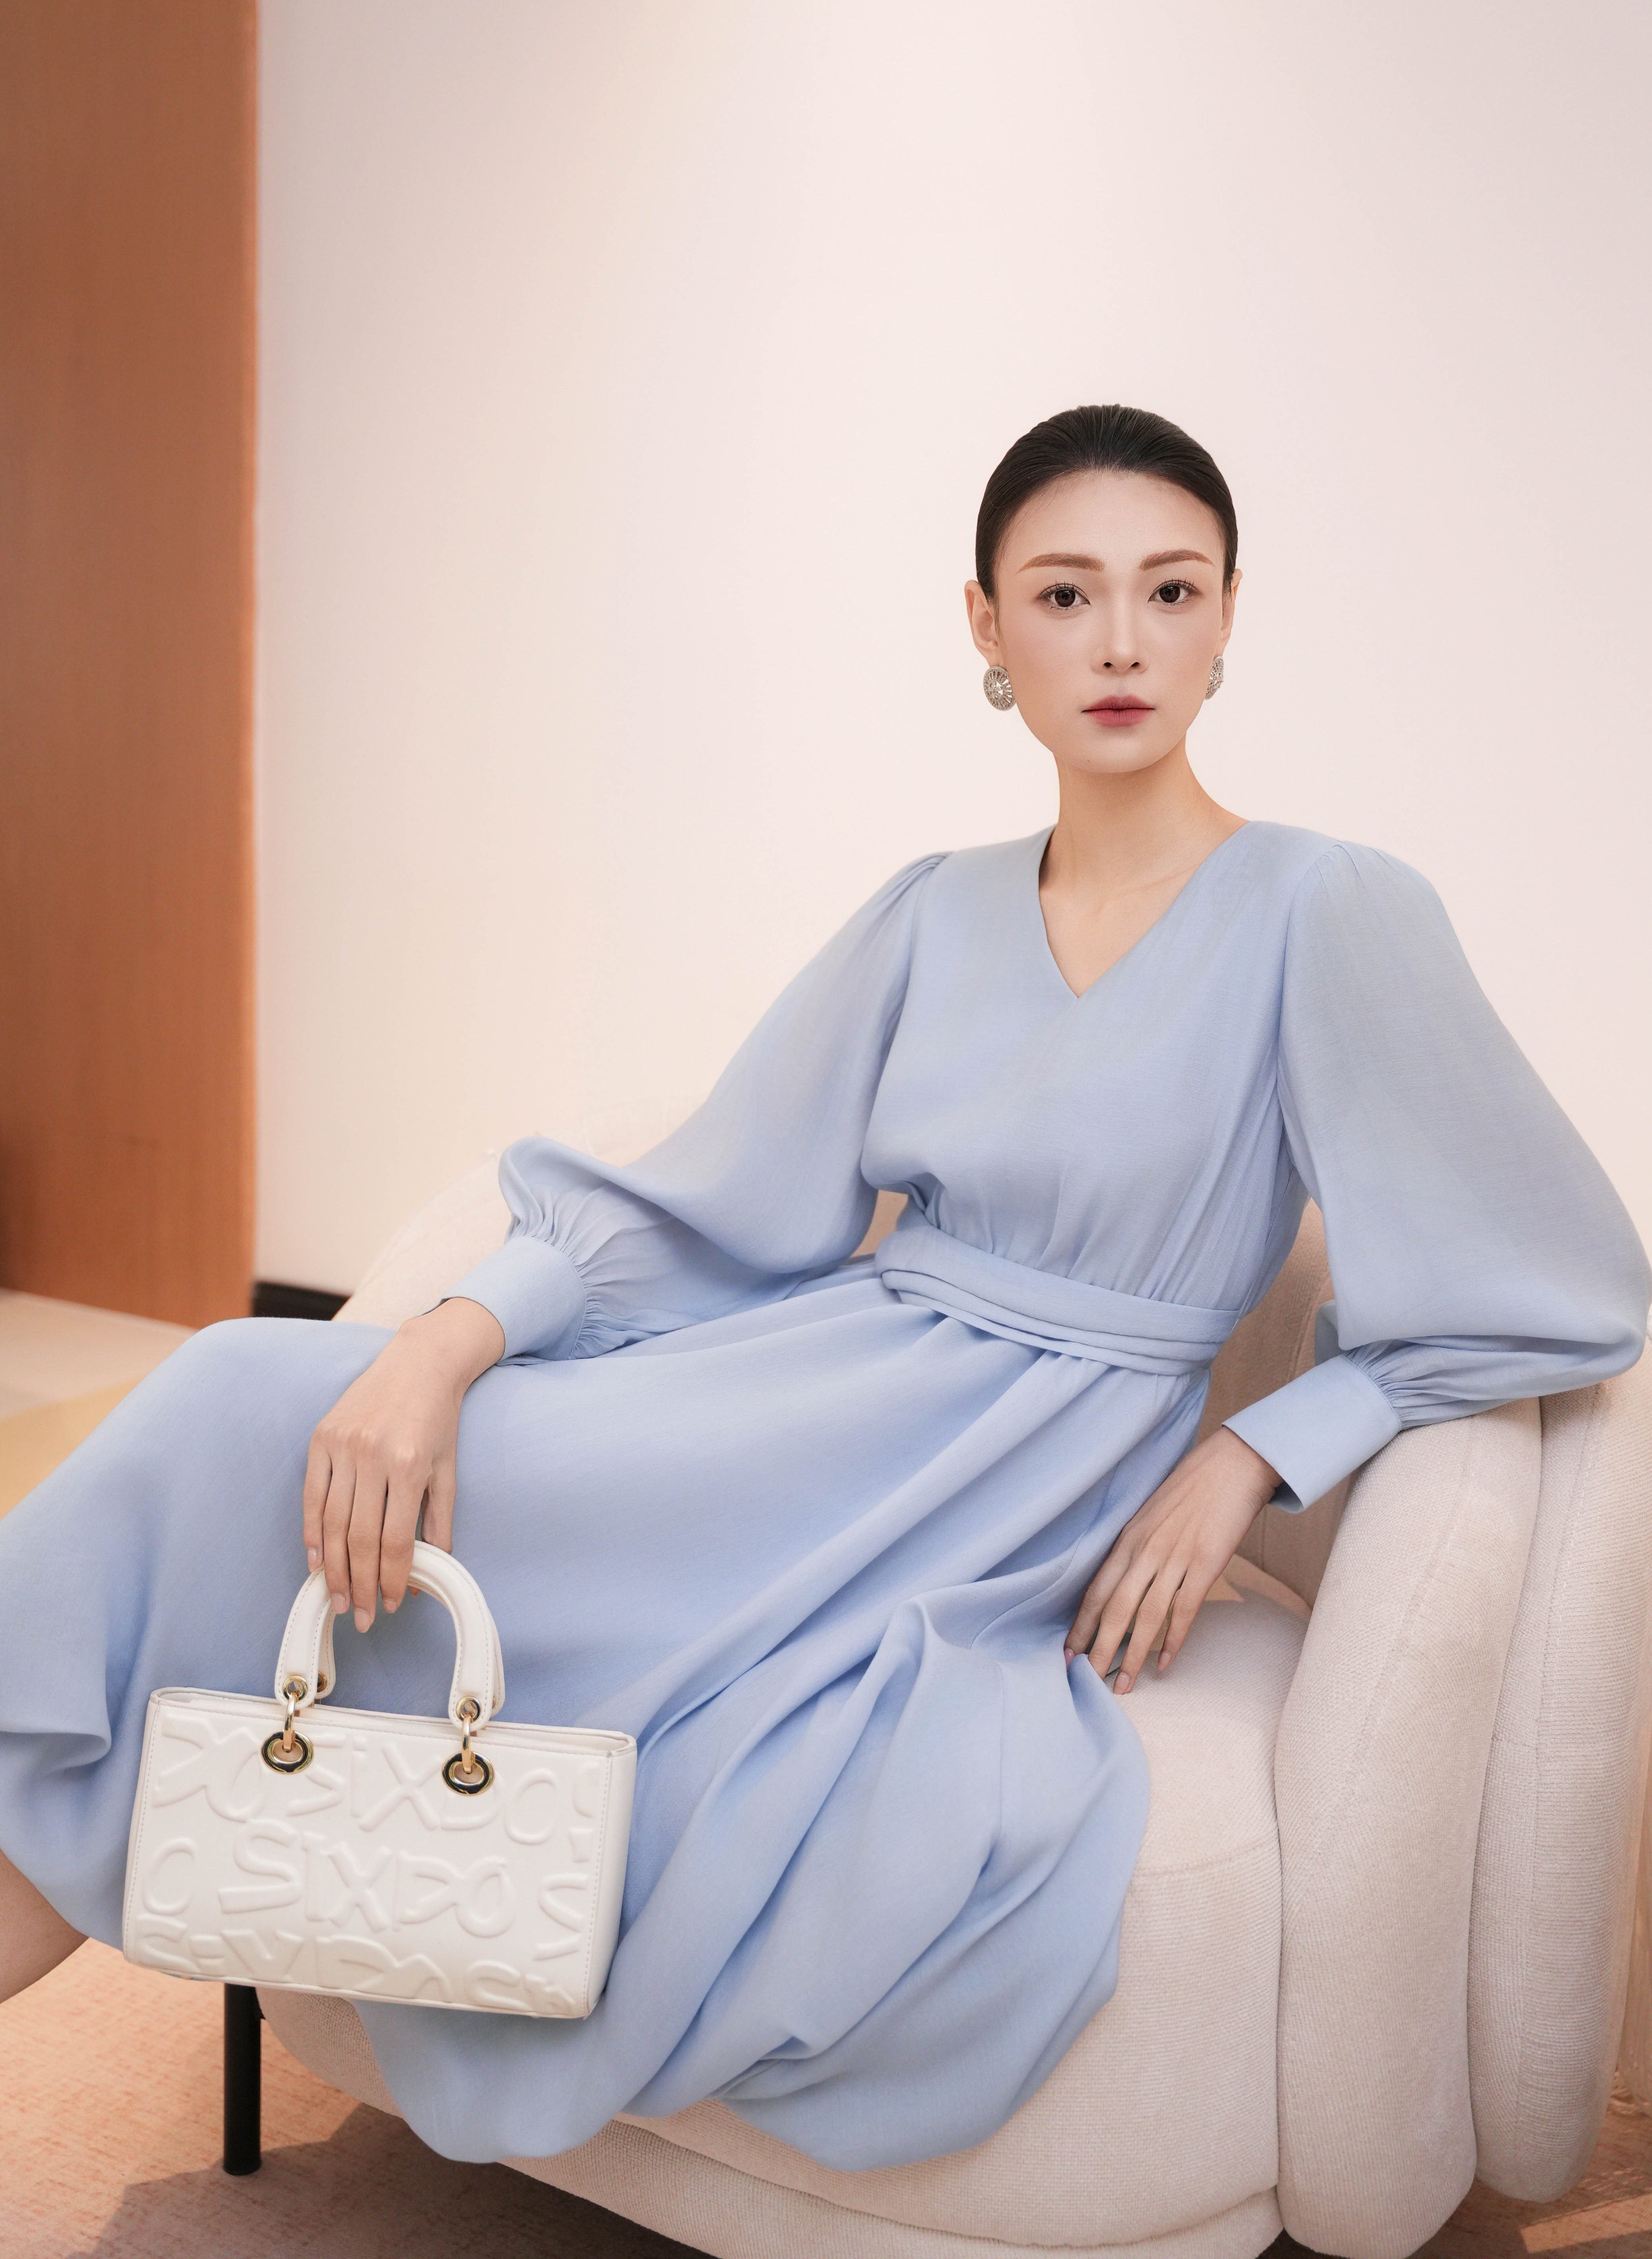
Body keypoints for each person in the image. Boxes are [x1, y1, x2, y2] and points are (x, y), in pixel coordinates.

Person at [0, 404, 1645, 2172]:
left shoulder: (1329, 907)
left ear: (1228, 615)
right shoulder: (930, 910)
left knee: (315, 1488)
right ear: (986, 627)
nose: (1119, 641)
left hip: (986, 1486)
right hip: (795, 1400)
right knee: (242, 1397)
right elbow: (715, 1202)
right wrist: (441, 1346)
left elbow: (1554, 1282)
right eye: (1064, 594)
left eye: (1168, 591)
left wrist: (1251, 1452)